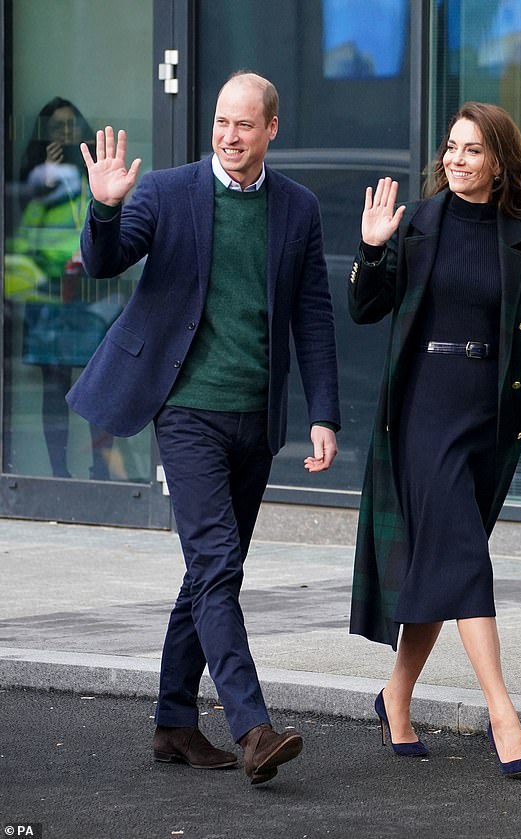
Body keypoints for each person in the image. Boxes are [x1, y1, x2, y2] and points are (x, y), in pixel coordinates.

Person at [67, 71, 340, 784]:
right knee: (219, 564)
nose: (228, 135)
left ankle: (173, 722)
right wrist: (102, 210)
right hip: (186, 409)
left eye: (244, 124)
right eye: (221, 122)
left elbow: (312, 314)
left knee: (207, 571)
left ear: (271, 129)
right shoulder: (166, 191)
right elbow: (104, 262)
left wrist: (324, 414)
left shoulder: (298, 209)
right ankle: (253, 727)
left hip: (256, 417)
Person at [348, 102, 521, 778]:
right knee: (466, 557)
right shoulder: (417, 223)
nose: (456, 159)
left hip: (487, 417)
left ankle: (397, 696)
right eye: (451, 147)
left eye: (473, 150)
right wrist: (372, 248)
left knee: (444, 561)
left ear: (499, 162)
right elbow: (367, 308)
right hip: (423, 410)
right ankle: (503, 712)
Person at [10, 97, 114, 479]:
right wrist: (46, 182)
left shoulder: (92, 176)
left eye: (72, 126)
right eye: (57, 128)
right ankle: (59, 476)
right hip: (50, 296)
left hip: (90, 293)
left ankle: (101, 471)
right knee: (54, 391)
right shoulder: (36, 183)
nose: (66, 135)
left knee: (99, 385)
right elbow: (22, 237)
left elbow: (106, 218)